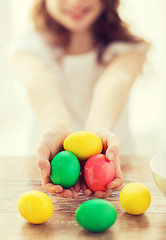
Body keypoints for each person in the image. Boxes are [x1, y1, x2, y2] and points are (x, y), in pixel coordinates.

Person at [9, 0, 148, 199]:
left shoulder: (129, 47)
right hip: (47, 165)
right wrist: (56, 127)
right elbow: (39, 80)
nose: (75, 2)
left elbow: (115, 81)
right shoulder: (28, 45)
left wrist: (97, 136)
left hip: (112, 164)